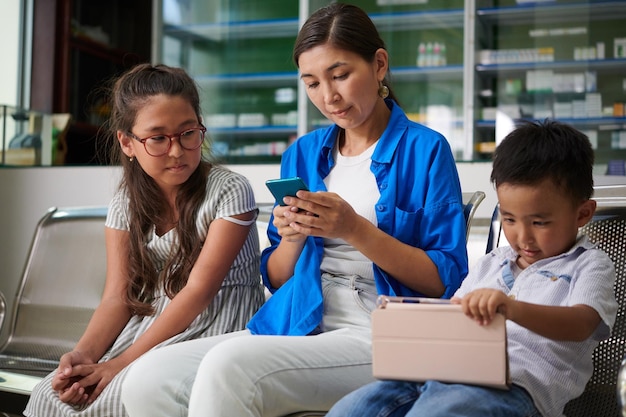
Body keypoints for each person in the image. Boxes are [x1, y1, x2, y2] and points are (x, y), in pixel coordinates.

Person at [120, 4, 468, 416]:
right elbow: (277, 276)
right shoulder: (303, 155)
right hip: (300, 320)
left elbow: (445, 281)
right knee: (149, 377)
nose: (329, 96)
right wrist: (292, 238)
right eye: (312, 83)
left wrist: (354, 229)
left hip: (382, 333)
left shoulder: (426, 150)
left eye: (340, 75)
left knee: (230, 368)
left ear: (379, 65)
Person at [326, 119, 619, 417]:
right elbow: (455, 316)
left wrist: (513, 310)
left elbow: (582, 324)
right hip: (445, 376)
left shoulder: (589, 264)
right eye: (509, 219)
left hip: (517, 393)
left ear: (583, 213)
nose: (522, 236)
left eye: (540, 222)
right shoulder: (493, 263)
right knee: (353, 408)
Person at [23, 63, 265, 417]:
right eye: (158, 138)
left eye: (188, 133)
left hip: (216, 325)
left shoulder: (229, 189)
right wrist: (82, 358)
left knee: (118, 394)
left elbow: (197, 293)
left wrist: (117, 365)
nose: (177, 151)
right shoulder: (125, 204)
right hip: (151, 327)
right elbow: (118, 296)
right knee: (52, 396)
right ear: (127, 143)